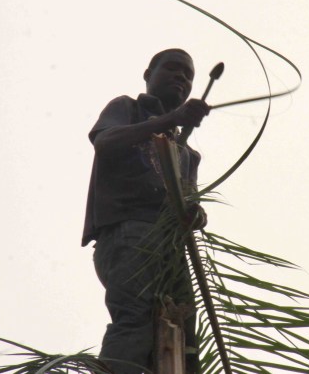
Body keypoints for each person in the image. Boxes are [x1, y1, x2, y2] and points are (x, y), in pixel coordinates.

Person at [82, 48, 210, 374]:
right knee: (135, 320)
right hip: (128, 232)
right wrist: (171, 119)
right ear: (148, 74)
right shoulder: (128, 108)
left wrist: (196, 215)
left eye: (188, 76)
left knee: (183, 335)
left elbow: (188, 203)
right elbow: (105, 143)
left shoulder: (187, 155)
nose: (181, 78)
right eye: (172, 69)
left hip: (171, 249)